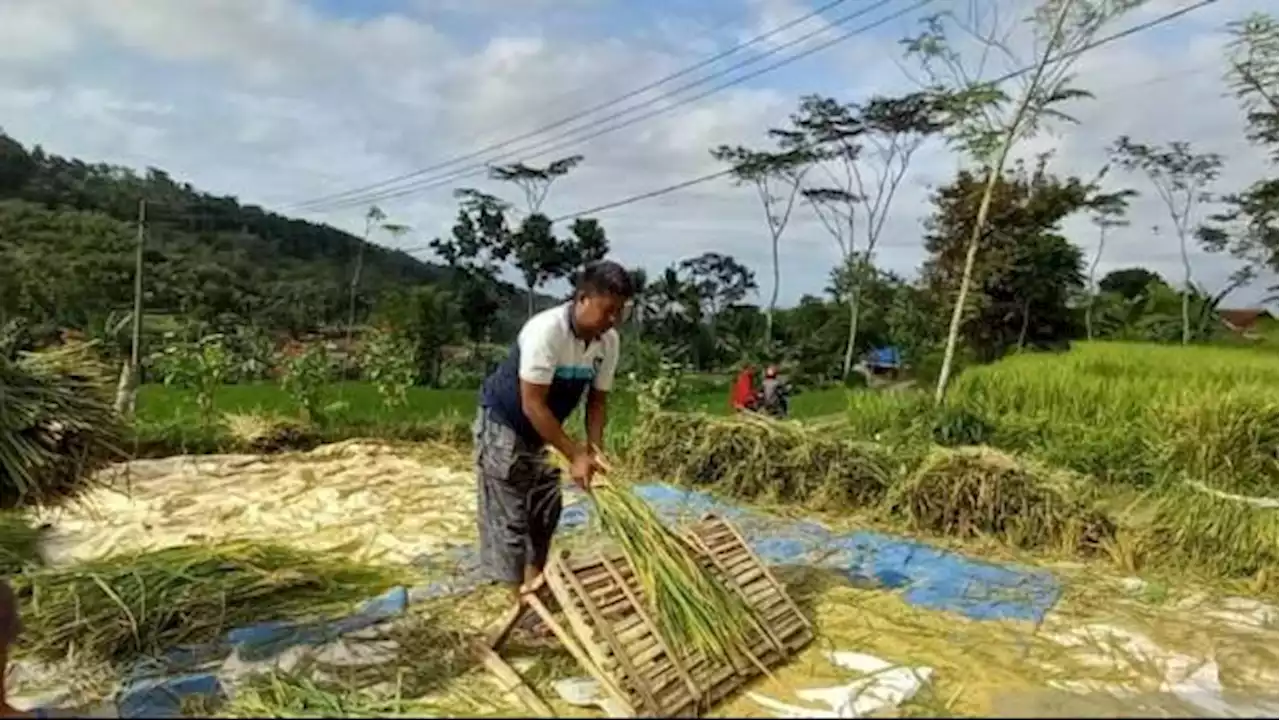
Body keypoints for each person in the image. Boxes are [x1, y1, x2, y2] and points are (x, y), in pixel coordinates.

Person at [474, 260, 635, 616]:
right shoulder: (546, 331)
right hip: (507, 424)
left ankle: (534, 597)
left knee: (545, 511)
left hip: (544, 431)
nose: (613, 320)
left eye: (619, 312)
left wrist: (594, 451)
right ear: (582, 298)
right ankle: (516, 610)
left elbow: (597, 402)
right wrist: (574, 454)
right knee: (510, 518)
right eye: (608, 310)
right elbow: (533, 405)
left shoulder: (607, 341)